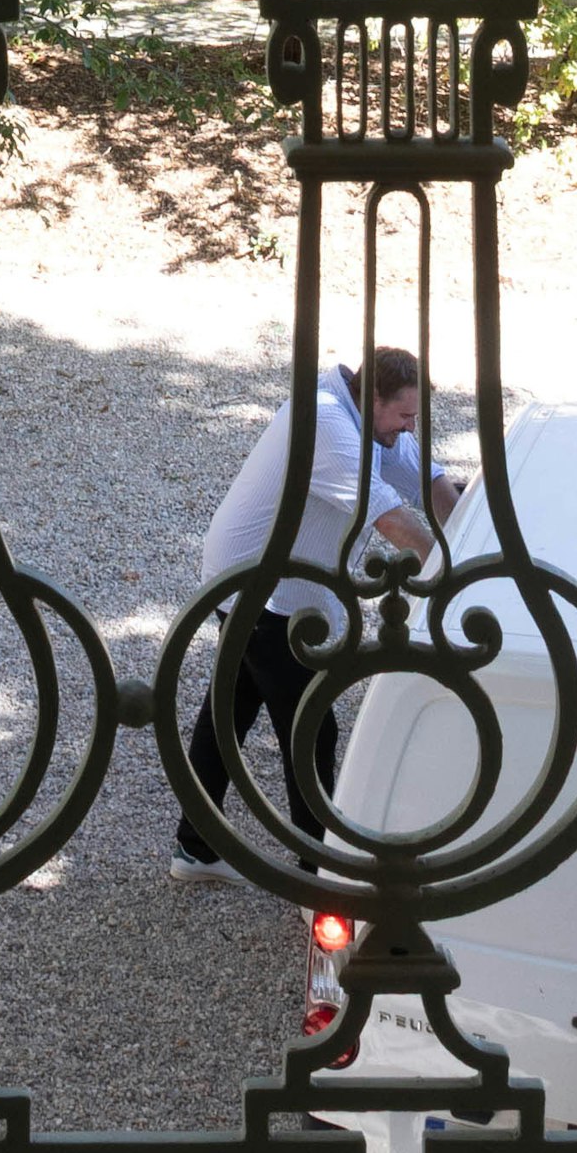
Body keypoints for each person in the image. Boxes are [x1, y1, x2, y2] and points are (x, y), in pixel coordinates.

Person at [170, 340, 473, 871]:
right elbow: (391, 520)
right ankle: (320, 871)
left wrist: (472, 536)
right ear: (374, 396)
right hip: (262, 591)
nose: (408, 427)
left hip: (253, 579)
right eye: (404, 416)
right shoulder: (329, 426)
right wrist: (452, 575)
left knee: (232, 710)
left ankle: (195, 846)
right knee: (311, 727)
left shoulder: (365, 413)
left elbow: (424, 477)